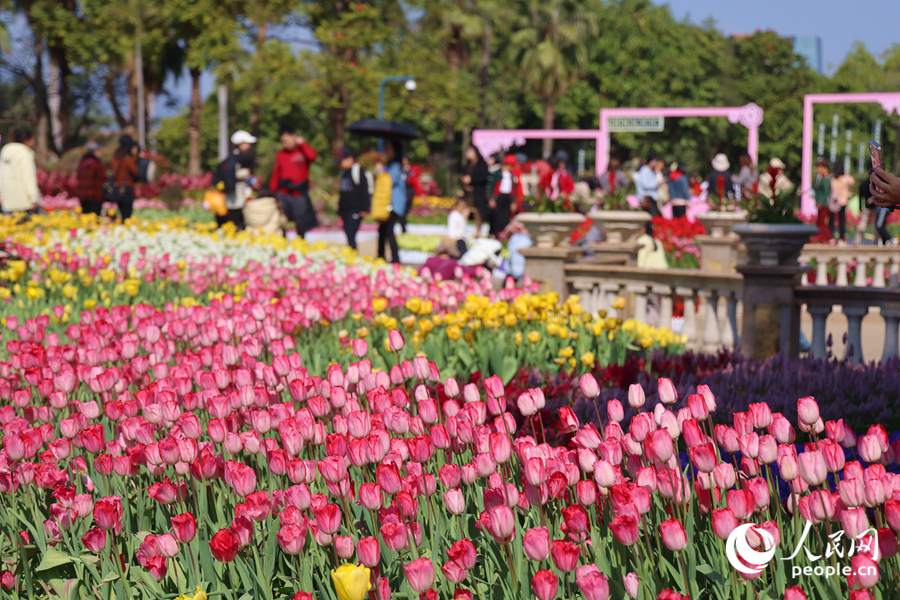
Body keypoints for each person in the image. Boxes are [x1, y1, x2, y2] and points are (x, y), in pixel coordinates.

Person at [270, 127, 318, 237]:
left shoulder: (302, 152)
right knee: (281, 221)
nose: (284, 144)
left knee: (301, 220)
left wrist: (302, 143)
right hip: (283, 193)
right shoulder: (281, 154)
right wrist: (272, 193)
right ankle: (282, 243)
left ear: (294, 137)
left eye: (286, 141)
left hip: (299, 194)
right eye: (282, 142)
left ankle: (300, 242)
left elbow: (312, 156)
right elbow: (275, 174)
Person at [213, 130, 258, 230]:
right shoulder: (234, 159)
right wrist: (246, 171)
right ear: (240, 144)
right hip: (235, 195)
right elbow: (233, 174)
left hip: (239, 194)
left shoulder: (237, 158)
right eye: (247, 143)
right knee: (235, 219)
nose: (249, 146)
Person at [0, 128, 40, 216]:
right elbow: (28, 178)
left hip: (7, 202)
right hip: (24, 202)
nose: (34, 142)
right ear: (26, 140)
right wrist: (33, 199)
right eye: (32, 139)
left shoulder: (5, 153)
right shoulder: (24, 154)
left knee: (9, 228)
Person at [337, 147, 370, 251]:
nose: (339, 165)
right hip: (345, 210)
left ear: (350, 159)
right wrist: (339, 211)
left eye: (341, 161)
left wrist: (365, 208)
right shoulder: (344, 174)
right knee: (348, 234)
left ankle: (353, 257)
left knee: (351, 234)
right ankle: (351, 255)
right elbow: (342, 194)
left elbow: (365, 191)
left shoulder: (358, 172)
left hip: (355, 209)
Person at [371, 158, 399, 263]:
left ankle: (395, 258)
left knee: (389, 233)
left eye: (377, 165)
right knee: (382, 233)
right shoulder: (380, 177)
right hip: (384, 209)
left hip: (387, 209)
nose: (376, 168)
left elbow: (385, 194)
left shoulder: (385, 177)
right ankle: (381, 255)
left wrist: (385, 208)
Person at [109, 135, 140, 221]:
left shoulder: (115, 158)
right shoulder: (128, 159)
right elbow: (136, 172)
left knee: (121, 213)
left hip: (116, 189)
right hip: (126, 188)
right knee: (127, 216)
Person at [490, 154, 521, 237]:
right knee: (497, 216)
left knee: (505, 217)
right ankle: (496, 234)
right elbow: (492, 186)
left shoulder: (512, 175)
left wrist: (514, 201)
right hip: (499, 197)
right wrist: (492, 198)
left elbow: (514, 189)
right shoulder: (498, 173)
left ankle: (504, 234)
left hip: (508, 197)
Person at [460, 146, 489, 235]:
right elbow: (461, 173)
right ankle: (462, 230)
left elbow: (484, 177)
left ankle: (477, 231)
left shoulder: (482, 165)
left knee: (477, 212)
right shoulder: (467, 165)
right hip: (467, 192)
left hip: (478, 192)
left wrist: (471, 179)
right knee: (465, 210)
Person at [74, 141, 106, 216]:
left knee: (85, 217)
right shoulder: (96, 163)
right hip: (94, 194)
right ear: (95, 151)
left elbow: (78, 176)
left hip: (83, 195)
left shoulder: (83, 161)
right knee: (95, 217)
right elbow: (102, 177)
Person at [829, 163, 854, 243]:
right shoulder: (845, 177)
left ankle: (831, 236)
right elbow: (852, 181)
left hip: (834, 201)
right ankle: (842, 237)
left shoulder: (832, 178)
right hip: (843, 201)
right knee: (841, 220)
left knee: (831, 219)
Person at [813, 158, 832, 241]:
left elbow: (826, 193)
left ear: (824, 167)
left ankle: (830, 239)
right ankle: (822, 239)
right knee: (819, 223)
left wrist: (820, 202)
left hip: (824, 204)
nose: (817, 169)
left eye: (818, 167)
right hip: (821, 204)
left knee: (822, 223)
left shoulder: (826, 179)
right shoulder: (821, 178)